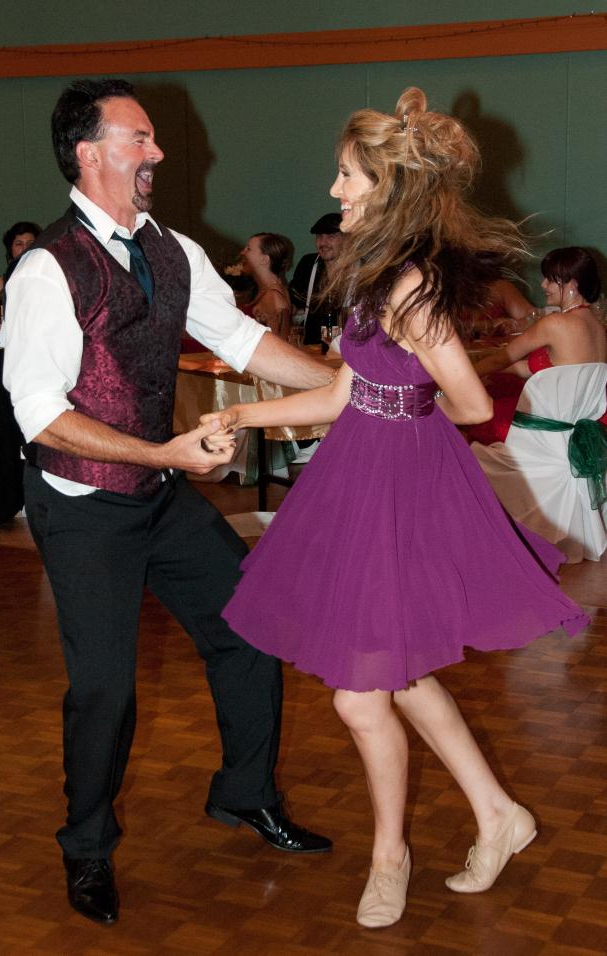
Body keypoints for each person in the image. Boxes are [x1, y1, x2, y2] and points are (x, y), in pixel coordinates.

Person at [203, 87, 590, 929]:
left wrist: (402, 412)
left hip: (396, 485)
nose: (334, 189)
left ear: (386, 186)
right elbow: (339, 393)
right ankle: (497, 814)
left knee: (359, 695)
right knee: (399, 676)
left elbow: (464, 401)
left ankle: (390, 857)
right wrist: (240, 417)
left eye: (346, 175)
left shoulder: (410, 288)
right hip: (359, 475)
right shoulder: (374, 275)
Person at [2, 78, 332, 927]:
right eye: (139, 138)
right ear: (88, 153)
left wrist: (347, 388)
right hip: (82, 504)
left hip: (158, 490)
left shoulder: (174, 249)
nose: (157, 152)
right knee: (104, 690)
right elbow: (39, 414)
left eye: (152, 138)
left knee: (249, 627)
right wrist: (162, 454)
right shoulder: (46, 268)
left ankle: (245, 794)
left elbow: (243, 340)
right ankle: (86, 847)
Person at [468, 247, 607, 444]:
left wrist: (461, 378)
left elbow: (500, 359)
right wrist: (498, 371)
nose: (543, 284)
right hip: (579, 423)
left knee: (474, 417)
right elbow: (557, 370)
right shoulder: (597, 326)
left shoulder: (554, 323)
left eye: (550, 279)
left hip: (550, 426)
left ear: (572, 284)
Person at [289, 212, 344, 345]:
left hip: (346, 347)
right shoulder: (308, 264)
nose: (323, 242)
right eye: (319, 236)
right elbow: (293, 302)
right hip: (311, 345)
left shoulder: (360, 270)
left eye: (331, 236)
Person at [0, 221, 41, 326]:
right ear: (10, 250)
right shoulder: (0, 284)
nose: (25, 249)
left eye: (30, 244)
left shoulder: (46, 280)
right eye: (19, 244)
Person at [239, 232, 293, 339]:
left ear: (264, 260)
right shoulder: (265, 290)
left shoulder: (274, 296)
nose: (242, 253)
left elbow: (279, 342)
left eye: (248, 249)